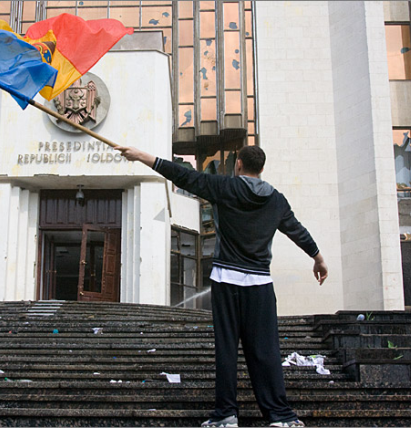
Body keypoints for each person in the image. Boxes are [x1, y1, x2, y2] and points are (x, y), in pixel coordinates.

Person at [115, 145, 328, 428]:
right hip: (260, 284)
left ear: (238, 164)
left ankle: (226, 414)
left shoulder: (224, 187)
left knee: (226, 349)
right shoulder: (276, 201)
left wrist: (141, 156)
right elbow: (296, 230)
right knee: (265, 350)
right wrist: (318, 258)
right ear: (261, 169)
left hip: (226, 280)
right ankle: (281, 416)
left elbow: (183, 176)